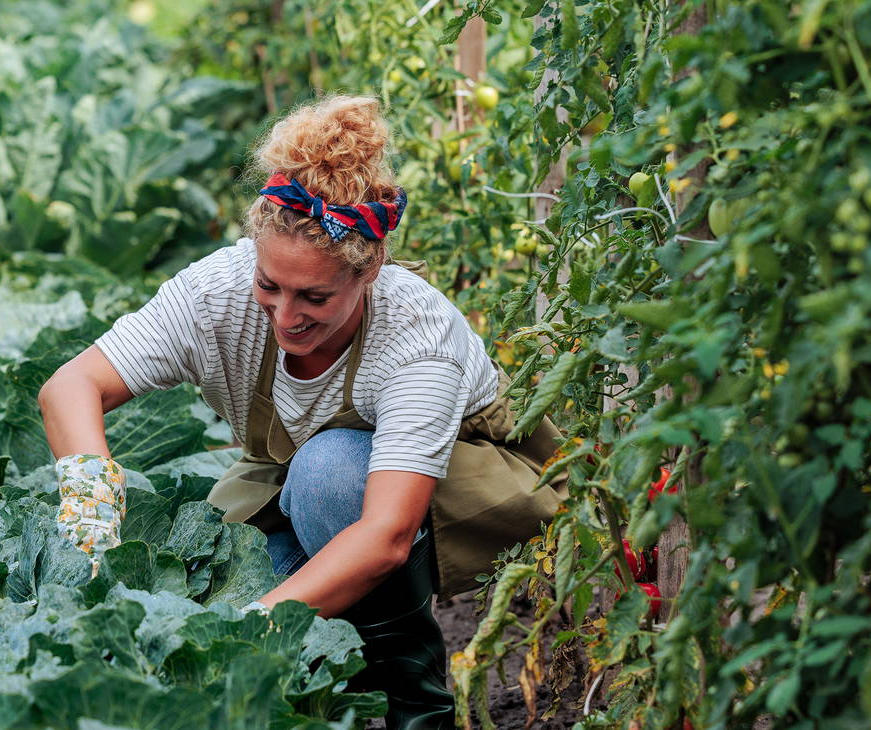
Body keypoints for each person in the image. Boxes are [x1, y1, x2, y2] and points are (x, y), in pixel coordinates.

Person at [38, 95, 564, 730]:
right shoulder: (218, 292)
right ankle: (335, 684)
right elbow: (70, 387)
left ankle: (417, 704)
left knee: (329, 475)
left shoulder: (417, 336)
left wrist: (259, 624)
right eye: (270, 286)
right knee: (214, 581)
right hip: (293, 487)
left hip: (455, 497)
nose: (286, 316)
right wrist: (91, 500)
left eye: (314, 296)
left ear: (369, 271)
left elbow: (386, 536)